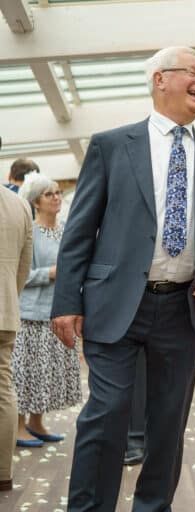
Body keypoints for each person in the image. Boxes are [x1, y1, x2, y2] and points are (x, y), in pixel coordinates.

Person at [50, 46, 195, 511]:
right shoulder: (112, 144)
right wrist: (65, 301)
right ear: (160, 79)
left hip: (182, 310)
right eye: (194, 73)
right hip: (115, 303)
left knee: (167, 424)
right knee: (107, 415)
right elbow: (79, 231)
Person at [14, 173, 81, 448]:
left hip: (60, 312)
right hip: (31, 314)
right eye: (48, 194)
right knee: (27, 372)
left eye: (57, 192)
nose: (56, 197)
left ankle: (36, 422)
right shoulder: (28, 231)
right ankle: (17, 428)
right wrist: (49, 273)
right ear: (35, 203)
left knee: (47, 373)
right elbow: (20, 274)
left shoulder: (67, 230)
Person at [0, 182, 33, 492]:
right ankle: (3, 473)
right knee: (3, 390)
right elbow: (25, 265)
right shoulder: (19, 204)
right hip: (6, 310)